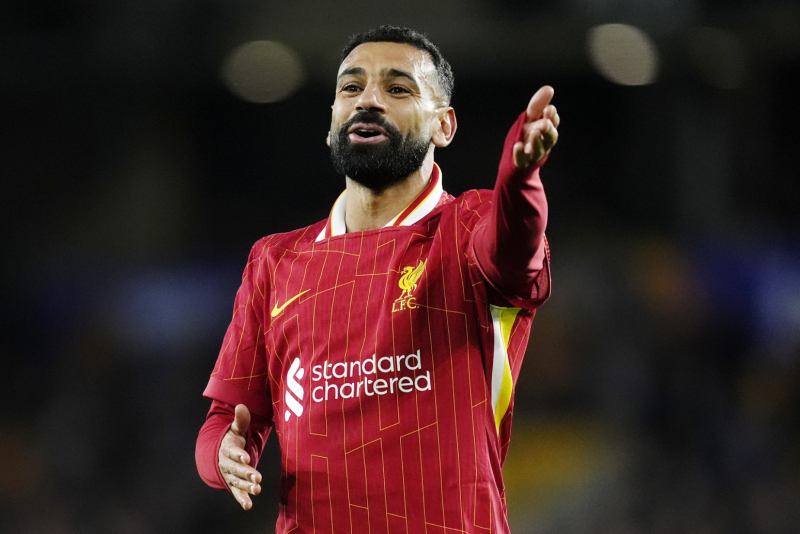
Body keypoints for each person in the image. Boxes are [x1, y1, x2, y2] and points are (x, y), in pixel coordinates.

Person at [196, 25, 559, 534]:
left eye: (398, 88)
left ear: (444, 126)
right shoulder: (275, 260)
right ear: (331, 124)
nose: (368, 100)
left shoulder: (468, 225)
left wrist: (520, 179)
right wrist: (224, 454)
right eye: (351, 87)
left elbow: (515, 250)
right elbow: (227, 419)